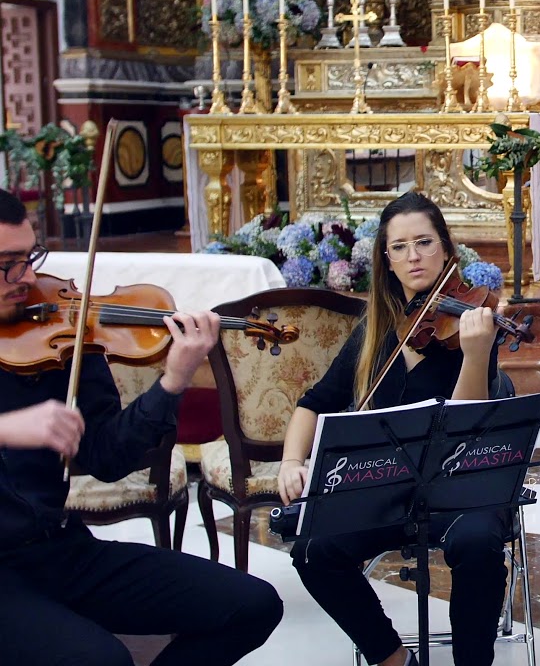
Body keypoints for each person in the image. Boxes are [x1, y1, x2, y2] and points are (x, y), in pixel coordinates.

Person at [0, 189, 283, 665]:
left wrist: (173, 380)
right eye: (7, 263)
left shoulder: (61, 337)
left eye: (29, 256)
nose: (26, 277)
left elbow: (108, 458)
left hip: (56, 550)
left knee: (250, 605)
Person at [279, 192, 504, 666]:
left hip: (457, 490)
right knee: (313, 551)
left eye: (423, 242)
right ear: (387, 259)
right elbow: (313, 403)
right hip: (385, 490)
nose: (413, 256)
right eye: (399, 246)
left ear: (446, 248)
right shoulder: (376, 328)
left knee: (479, 541)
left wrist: (477, 353)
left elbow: (467, 424)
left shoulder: (470, 323)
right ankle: (392, 657)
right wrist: (292, 462)